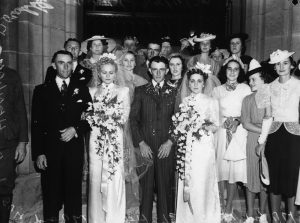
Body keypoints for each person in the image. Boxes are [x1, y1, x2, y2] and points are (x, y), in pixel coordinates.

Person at [31, 50, 92, 223]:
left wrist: (76, 129)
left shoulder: (81, 89)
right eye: (61, 62)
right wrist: (39, 153)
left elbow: (92, 116)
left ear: (73, 65)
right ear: (53, 65)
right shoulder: (41, 90)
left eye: (68, 63)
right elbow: (36, 124)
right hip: (50, 151)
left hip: (73, 149)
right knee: (51, 192)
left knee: (73, 191)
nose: (65, 66)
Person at [130, 56, 177, 223]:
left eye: (161, 69)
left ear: (167, 71)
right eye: (155, 69)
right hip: (146, 147)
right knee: (146, 188)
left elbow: (180, 120)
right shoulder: (141, 91)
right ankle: (144, 219)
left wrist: (171, 142)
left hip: (166, 147)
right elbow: (133, 120)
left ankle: (164, 219)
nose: (158, 73)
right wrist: (141, 143)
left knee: (165, 187)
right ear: (149, 70)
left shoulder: (174, 92)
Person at [86, 53, 130, 223]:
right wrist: (96, 118)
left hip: (114, 138)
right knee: (96, 176)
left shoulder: (123, 91)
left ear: (116, 72)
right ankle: (96, 218)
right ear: (98, 72)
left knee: (114, 175)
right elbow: (88, 115)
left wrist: (110, 117)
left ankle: (115, 217)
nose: (107, 76)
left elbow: (124, 116)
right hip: (96, 138)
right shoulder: (91, 91)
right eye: (104, 72)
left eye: (111, 72)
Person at [257, 50, 300, 223]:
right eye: (278, 64)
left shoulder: (299, 85)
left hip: (294, 136)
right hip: (274, 136)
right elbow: (268, 117)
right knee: (273, 176)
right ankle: (274, 216)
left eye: (285, 63)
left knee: (291, 176)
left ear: (292, 65)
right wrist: (261, 141)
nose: (281, 67)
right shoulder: (267, 88)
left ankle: (291, 216)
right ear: (274, 67)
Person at [174, 67, 221, 223]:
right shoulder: (185, 101)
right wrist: (185, 125)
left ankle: (204, 216)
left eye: (199, 81)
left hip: (204, 146)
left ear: (204, 83)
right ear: (188, 83)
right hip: (188, 146)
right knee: (189, 178)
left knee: (201, 180)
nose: (195, 84)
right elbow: (180, 124)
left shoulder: (211, 101)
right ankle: (187, 217)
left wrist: (199, 125)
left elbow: (215, 126)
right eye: (192, 81)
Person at [212, 59, 251, 222]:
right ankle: (220, 205)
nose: (233, 72)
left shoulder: (245, 88)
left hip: (238, 131)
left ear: (240, 72)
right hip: (221, 132)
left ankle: (228, 208)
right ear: (225, 70)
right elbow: (213, 113)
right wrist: (222, 122)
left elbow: (248, 111)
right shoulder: (216, 90)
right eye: (229, 69)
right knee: (221, 170)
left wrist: (237, 121)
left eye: (236, 69)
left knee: (234, 172)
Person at [116, 51, 148, 216]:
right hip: (122, 127)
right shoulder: (116, 80)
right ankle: (126, 203)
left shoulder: (142, 81)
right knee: (125, 164)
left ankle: (137, 202)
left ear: (135, 63)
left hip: (137, 126)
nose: (128, 63)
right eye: (125, 60)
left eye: (131, 60)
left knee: (136, 165)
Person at [241, 60, 272, 223]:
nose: (250, 82)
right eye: (250, 79)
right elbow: (246, 123)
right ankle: (250, 214)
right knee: (252, 175)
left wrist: (269, 132)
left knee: (266, 176)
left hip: (271, 141)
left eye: (254, 79)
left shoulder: (270, 95)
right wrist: (266, 130)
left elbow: (273, 117)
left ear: (263, 79)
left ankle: (263, 212)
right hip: (253, 140)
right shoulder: (247, 99)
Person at [0, 44, 28, 223]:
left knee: (5, 186)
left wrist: (22, 142)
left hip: (8, 142)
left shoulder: (12, 76)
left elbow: (20, 110)